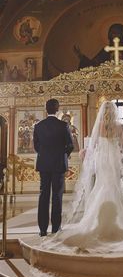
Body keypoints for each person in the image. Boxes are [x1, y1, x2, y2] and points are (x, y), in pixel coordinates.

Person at [38, 101, 123, 273]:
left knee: (101, 187)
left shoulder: (99, 126)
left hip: (102, 162)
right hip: (114, 162)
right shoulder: (120, 127)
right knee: (115, 187)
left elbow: (91, 147)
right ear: (115, 112)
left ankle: (94, 220)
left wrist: (86, 155)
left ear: (103, 112)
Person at [33, 99, 74, 236]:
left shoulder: (38, 125)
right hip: (58, 165)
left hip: (44, 164)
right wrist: (63, 155)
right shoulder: (63, 125)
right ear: (57, 110)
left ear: (46, 109)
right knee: (57, 196)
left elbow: (36, 146)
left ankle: (42, 230)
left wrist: (45, 154)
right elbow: (70, 145)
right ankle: (56, 228)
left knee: (43, 195)